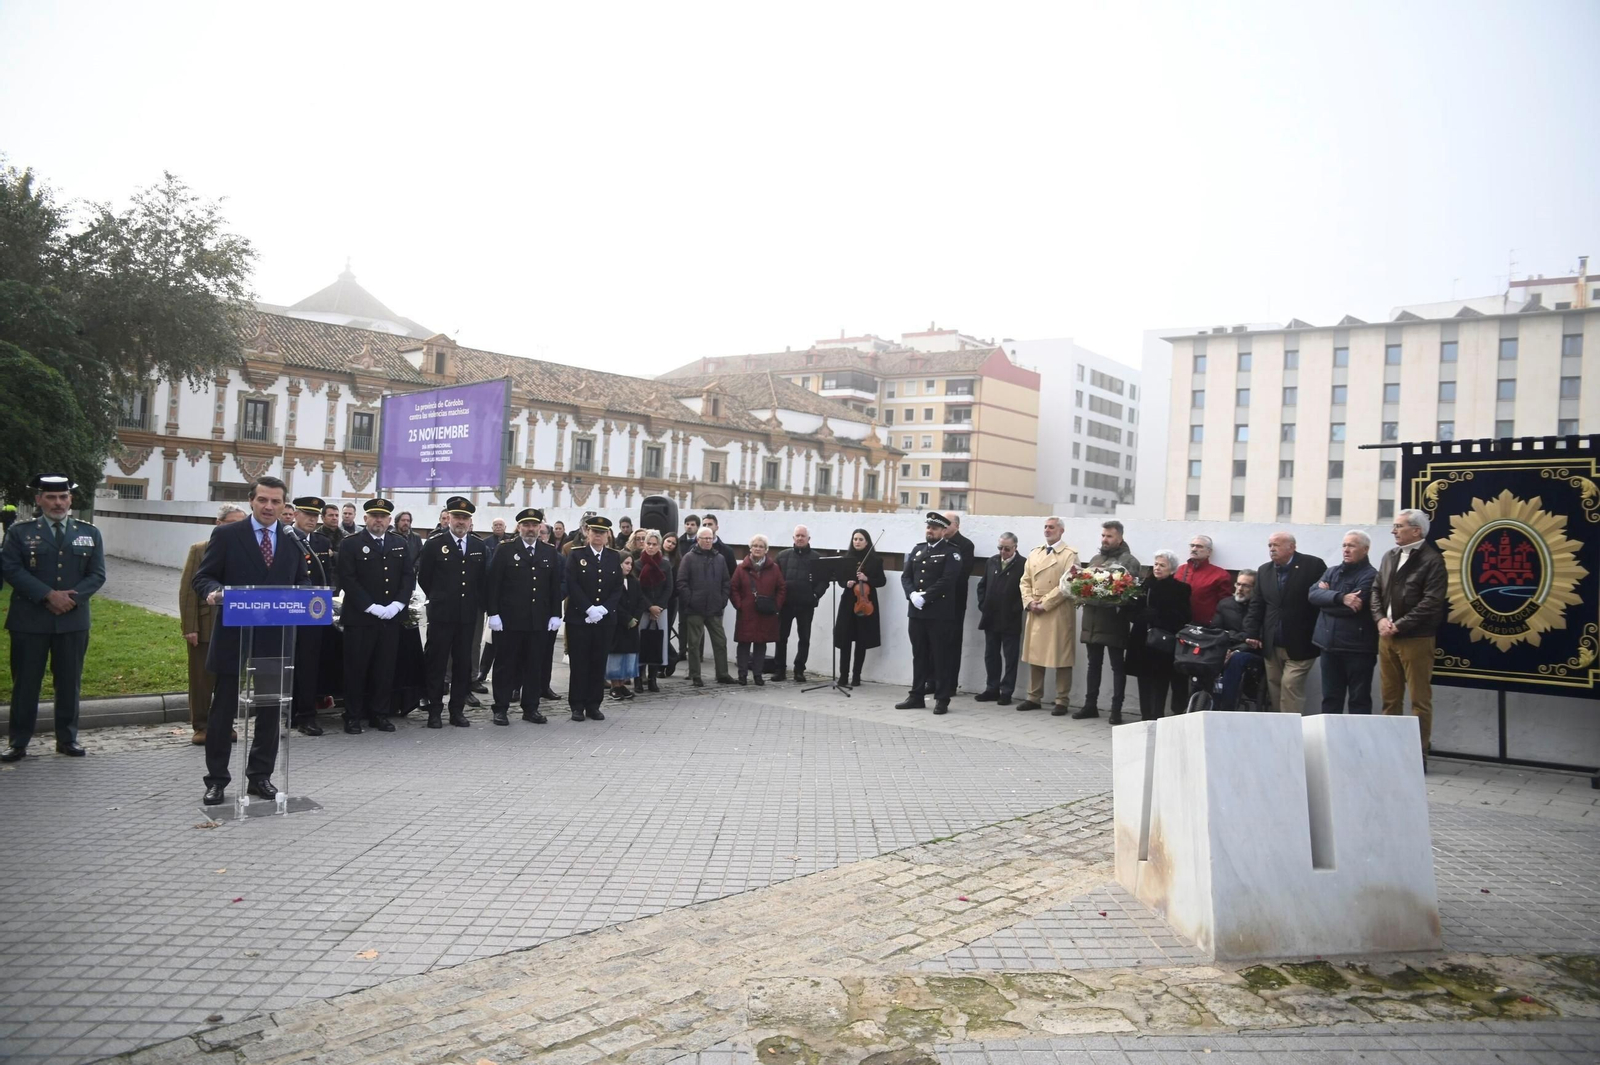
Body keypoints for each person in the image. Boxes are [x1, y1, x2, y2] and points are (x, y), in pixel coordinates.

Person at [190, 475, 310, 804]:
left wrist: (304, 596)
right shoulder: (228, 535)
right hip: (234, 633)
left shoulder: (293, 538)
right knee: (223, 708)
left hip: (275, 635)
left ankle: (260, 776)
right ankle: (216, 780)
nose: (269, 506)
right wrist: (214, 592)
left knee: (271, 709)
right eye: (263, 500)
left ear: (285, 505)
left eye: (276, 501)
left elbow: (301, 581)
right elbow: (204, 577)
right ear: (251, 502)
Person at [1, 475, 107, 762]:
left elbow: (97, 574)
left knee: (69, 682)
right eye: (51, 497)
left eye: (63, 497)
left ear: (71, 500)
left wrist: (71, 599)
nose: (57, 503)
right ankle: (19, 741)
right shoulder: (20, 532)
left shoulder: (89, 532)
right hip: (29, 620)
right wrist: (48, 595)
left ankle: (67, 738)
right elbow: (10, 568)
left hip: (73, 620)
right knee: (25, 683)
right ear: (39, 500)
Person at [1371, 508, 1448, 764]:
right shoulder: (1389, 556)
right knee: (1390, 698)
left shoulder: (1432, 560)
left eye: (1399, 526)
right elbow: (1375, 590)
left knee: (1419, 700)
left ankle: (1418, 755)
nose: (1393, 531)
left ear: (1417, 530)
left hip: (1416, 638)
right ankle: (1389, 752)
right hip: (1386, 637)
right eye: (1394, 526)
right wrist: (1380, 619)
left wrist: (1400, 624)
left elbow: (1432, 602)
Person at [337, 498, 415, 735]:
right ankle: (352, 716)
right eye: (374, 516)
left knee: (384, 669)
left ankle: (379, 714)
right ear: (365, 519)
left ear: (389, 520)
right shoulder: (350, 544)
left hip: (390, 618)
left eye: (383, 517)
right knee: (356, 669)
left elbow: (408, 577)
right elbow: (347, 579)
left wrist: (397, 605)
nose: (378, 520)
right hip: (360, 619)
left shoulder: (399, 543)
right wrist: (370, 607)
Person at [484, 508, 563, 725]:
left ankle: (530, 707)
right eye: (526, 525)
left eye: (534, 525)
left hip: (538, 620)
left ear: (540, 527)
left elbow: (554, 586)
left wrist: (556, 613)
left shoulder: (548, 552)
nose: (530, 529)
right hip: (509, 620)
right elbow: (494, 584)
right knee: (505, 665)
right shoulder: (506, 550)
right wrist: (494, 614)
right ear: (519, 527)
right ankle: (500, 708)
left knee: (534, 665)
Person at [417, 497, 488, 729]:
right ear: (448, 518)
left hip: (467, 616)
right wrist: (441, 597)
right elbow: (425, 577)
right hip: (441, 614)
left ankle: (456, 710)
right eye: (457, 517)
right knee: (437, 663)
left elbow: (482, 580)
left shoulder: (479, 546)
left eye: (465, 518)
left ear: (470, 521)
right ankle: (434, 710)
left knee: (463, 664)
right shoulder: (435, 544)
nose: (461, 521)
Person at [178, 504, 246, 745]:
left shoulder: (247, 551)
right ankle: (202, 725)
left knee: (230, 679)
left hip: (237, 624)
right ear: (219, 525)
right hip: (206, 625)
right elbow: (188, 591)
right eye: (233, 523)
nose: (238, 528)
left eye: (242, 523)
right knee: (202, 679)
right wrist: (190, 626)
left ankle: (224, 723)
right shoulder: (200, 550)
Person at [1244, 531, 1327, 715]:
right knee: (1274, 687)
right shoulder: (1264, 570)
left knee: (1290, 686)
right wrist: (1251, 632)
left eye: (1276, 545)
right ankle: (1280, 729)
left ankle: (1292, 731)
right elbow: (1257, 604)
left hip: (1302, 641)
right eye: (1269, 545)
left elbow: (1322, 598)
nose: (1272, 549)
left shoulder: (1313, 565)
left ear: (1292, 547)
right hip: (1272, 642)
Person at [896, 513, 964, 714]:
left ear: (944, 531)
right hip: (917, 613)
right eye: (928, 527)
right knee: (919, 655)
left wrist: (925, 596)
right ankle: (916, 695)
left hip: (938, 614)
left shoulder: (952, 553)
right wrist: (912, 595)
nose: (930, 531)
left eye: (934, 528)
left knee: (940, 656)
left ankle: (942, 699)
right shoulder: (918, 550)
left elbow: (948, 580)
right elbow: (906, 576)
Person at [1076, 520, 1141, 723]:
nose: (1105, 539)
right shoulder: (1095, 558)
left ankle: (1116, 710)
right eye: (1103, 535)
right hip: (1092, 622)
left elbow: (1127, 594)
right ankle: (1090, 705)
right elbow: (1084, 586)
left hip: (1114, 622)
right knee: (1093, 665)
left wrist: (1100, 594)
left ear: (1119, 538)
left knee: (1116, 667)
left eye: (1109, 536)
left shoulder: (1129, 561)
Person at [283, 496, 336, 736]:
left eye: (315, 516)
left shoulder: (321, 541)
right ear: (295, 515)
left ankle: (306, 714)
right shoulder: (284, 538)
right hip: (287, 610)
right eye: (307, 515)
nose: (312, 520)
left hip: (313, 613)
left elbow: (330, 574)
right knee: (286, 663)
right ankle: (287, 712)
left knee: (309, 665)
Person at [1311, 530, 1379, 715]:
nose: (1346, 550)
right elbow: (1312, 595)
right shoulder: (1332, 571)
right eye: (1344, 545)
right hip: (1328, 646)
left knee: (1359, 700)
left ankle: (1357, 742)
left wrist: (1327, 598)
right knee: (1331, 699)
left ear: (1365, 549)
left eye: (1351, 545)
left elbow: (1354, 607)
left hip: (1358, 649)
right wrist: (1340, 597)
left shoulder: (1371, 575)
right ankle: (1331, 741)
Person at [1016, 516, 1079, 715]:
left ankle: (1062, 700)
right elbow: (1024, 581)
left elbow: (1068, 583)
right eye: (1045, 527)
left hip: (1057, 611)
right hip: (1035, 609)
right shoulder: (1035, 553)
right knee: (1036, 655)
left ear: (1061, 531)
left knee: (1061, 656)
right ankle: (1033, 697)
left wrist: (1045, 604)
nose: (1047, 530)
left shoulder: (1069, 555)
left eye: (1051, 527)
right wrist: (1029, 602)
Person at [565, 515, 624, 720]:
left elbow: (617, 587)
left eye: (602, 532)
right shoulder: (575, 555)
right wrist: (589, 608)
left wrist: (604, 609)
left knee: (598, 662)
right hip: (580, 618)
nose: (597, 535)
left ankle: (594, 704)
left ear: (607, 535)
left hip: (605, 620)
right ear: (587, 533)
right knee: (579, 662)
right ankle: (577, 705)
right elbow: (572, 584)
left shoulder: (614, 557)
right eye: (594, 531)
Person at [1124, 550, 1192, 720]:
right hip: (1141, 640)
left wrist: (1159, 617)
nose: (1157, 568)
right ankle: (1145, 716)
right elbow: (1129, 611)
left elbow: (1184, 617)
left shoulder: (1181, 589)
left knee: (1160, 680)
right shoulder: (1143, 586)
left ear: (1172, 569)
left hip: (1162, 642)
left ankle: (1157, 715)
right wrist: (1141, 616)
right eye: (1156, 564)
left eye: (1162, 565)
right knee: (1143, 680)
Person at [676, 526, 734, 687]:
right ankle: (695, 675)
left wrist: (722, 600)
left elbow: (726, 582)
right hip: (695, 608)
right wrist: (690, 600)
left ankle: (722, 673)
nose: (708, 541)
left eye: (710, 538)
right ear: (698, 540)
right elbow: (681, 582)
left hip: (715, 608)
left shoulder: (720, 558)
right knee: (694, 644)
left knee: (720, 642)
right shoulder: (689, 557)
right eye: (705, 538)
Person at [975, 532, 1025, 706]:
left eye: (1007, 549)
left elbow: (1025, 590)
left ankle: (1007, 691)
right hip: (991, 615)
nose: (1003, 552)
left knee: (1010, 656)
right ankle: (992, 688)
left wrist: (1016, 608)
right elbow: (982, 585)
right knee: (991, 654)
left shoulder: (1023, 564)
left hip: (1010, 617)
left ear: (1015, 548)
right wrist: (983, 604)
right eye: (1000, 548)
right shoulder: (992, 561)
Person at [770, 525, 824, 683]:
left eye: (803, 536)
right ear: (793, 538)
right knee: (781, 637)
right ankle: (779, 670)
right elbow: (775, 580)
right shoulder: (782, 556)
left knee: (804, 638)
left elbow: (823, 581)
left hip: (806, 605)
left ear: (809, 539)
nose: (800, 538)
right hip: (785, 604)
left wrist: (815, 595)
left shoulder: (816, 558)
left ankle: (799, 670)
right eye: (797, 536)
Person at [731, 533, 786, 685]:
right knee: (743, 644)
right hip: (746, 612)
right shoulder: (741, 568)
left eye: (761, 546)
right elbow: (733, 588)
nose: (757, 549)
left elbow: (781, 588)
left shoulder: (773, 568)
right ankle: (742, 675)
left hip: (765, 613)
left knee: (760, 644)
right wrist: (739, 605)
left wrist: (776, 605)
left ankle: (758, 675)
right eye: (755, 546)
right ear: (750, 548)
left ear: (766, 550)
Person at [834, 529, 885, 687]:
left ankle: (856, 676)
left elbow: (882, 581)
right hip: (849, 602)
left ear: (867, 542)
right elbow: (840, 579)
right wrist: (846, 583)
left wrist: (867, 578)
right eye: (855, 539)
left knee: (861, 640)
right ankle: (843, 675)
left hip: (866, 602)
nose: (857, 541)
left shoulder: (875, 560)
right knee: (845, 640)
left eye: (860, 539)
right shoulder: (846, 559)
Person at [936, 512, 977, 695]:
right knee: (934, 642)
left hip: (954, 601)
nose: (944, 526)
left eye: (948, 523)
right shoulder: (936, 543)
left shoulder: (965, 545)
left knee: (952, 643)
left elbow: (962, 574)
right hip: (934, 600)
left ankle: (950, 684)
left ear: (957, 526)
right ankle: (933, 681)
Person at [635, 530, 672, 692]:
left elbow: (669, 587)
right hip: (643, 610)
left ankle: (652, 678)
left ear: (659, 546)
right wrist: (649, 606)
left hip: (660, 610)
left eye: (654, 544)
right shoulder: (637, 564)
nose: (650, 547)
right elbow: (638, 590)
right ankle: (638, 677)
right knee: (640, 643)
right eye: (648, 543)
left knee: (657, 643)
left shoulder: (665, 564)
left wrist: (659, 607)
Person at [606, 553, 643, 699]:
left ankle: (622, 684)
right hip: (618, 625)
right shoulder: (613, 581)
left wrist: (636, 618)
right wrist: (627, 619)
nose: (629, 566)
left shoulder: (634, 582)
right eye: (626, 563)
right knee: (616, 655)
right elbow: (615, 603)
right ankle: (615, 685)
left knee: (628, 655)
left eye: (630, 564)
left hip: (632, 625)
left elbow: (640, 600)